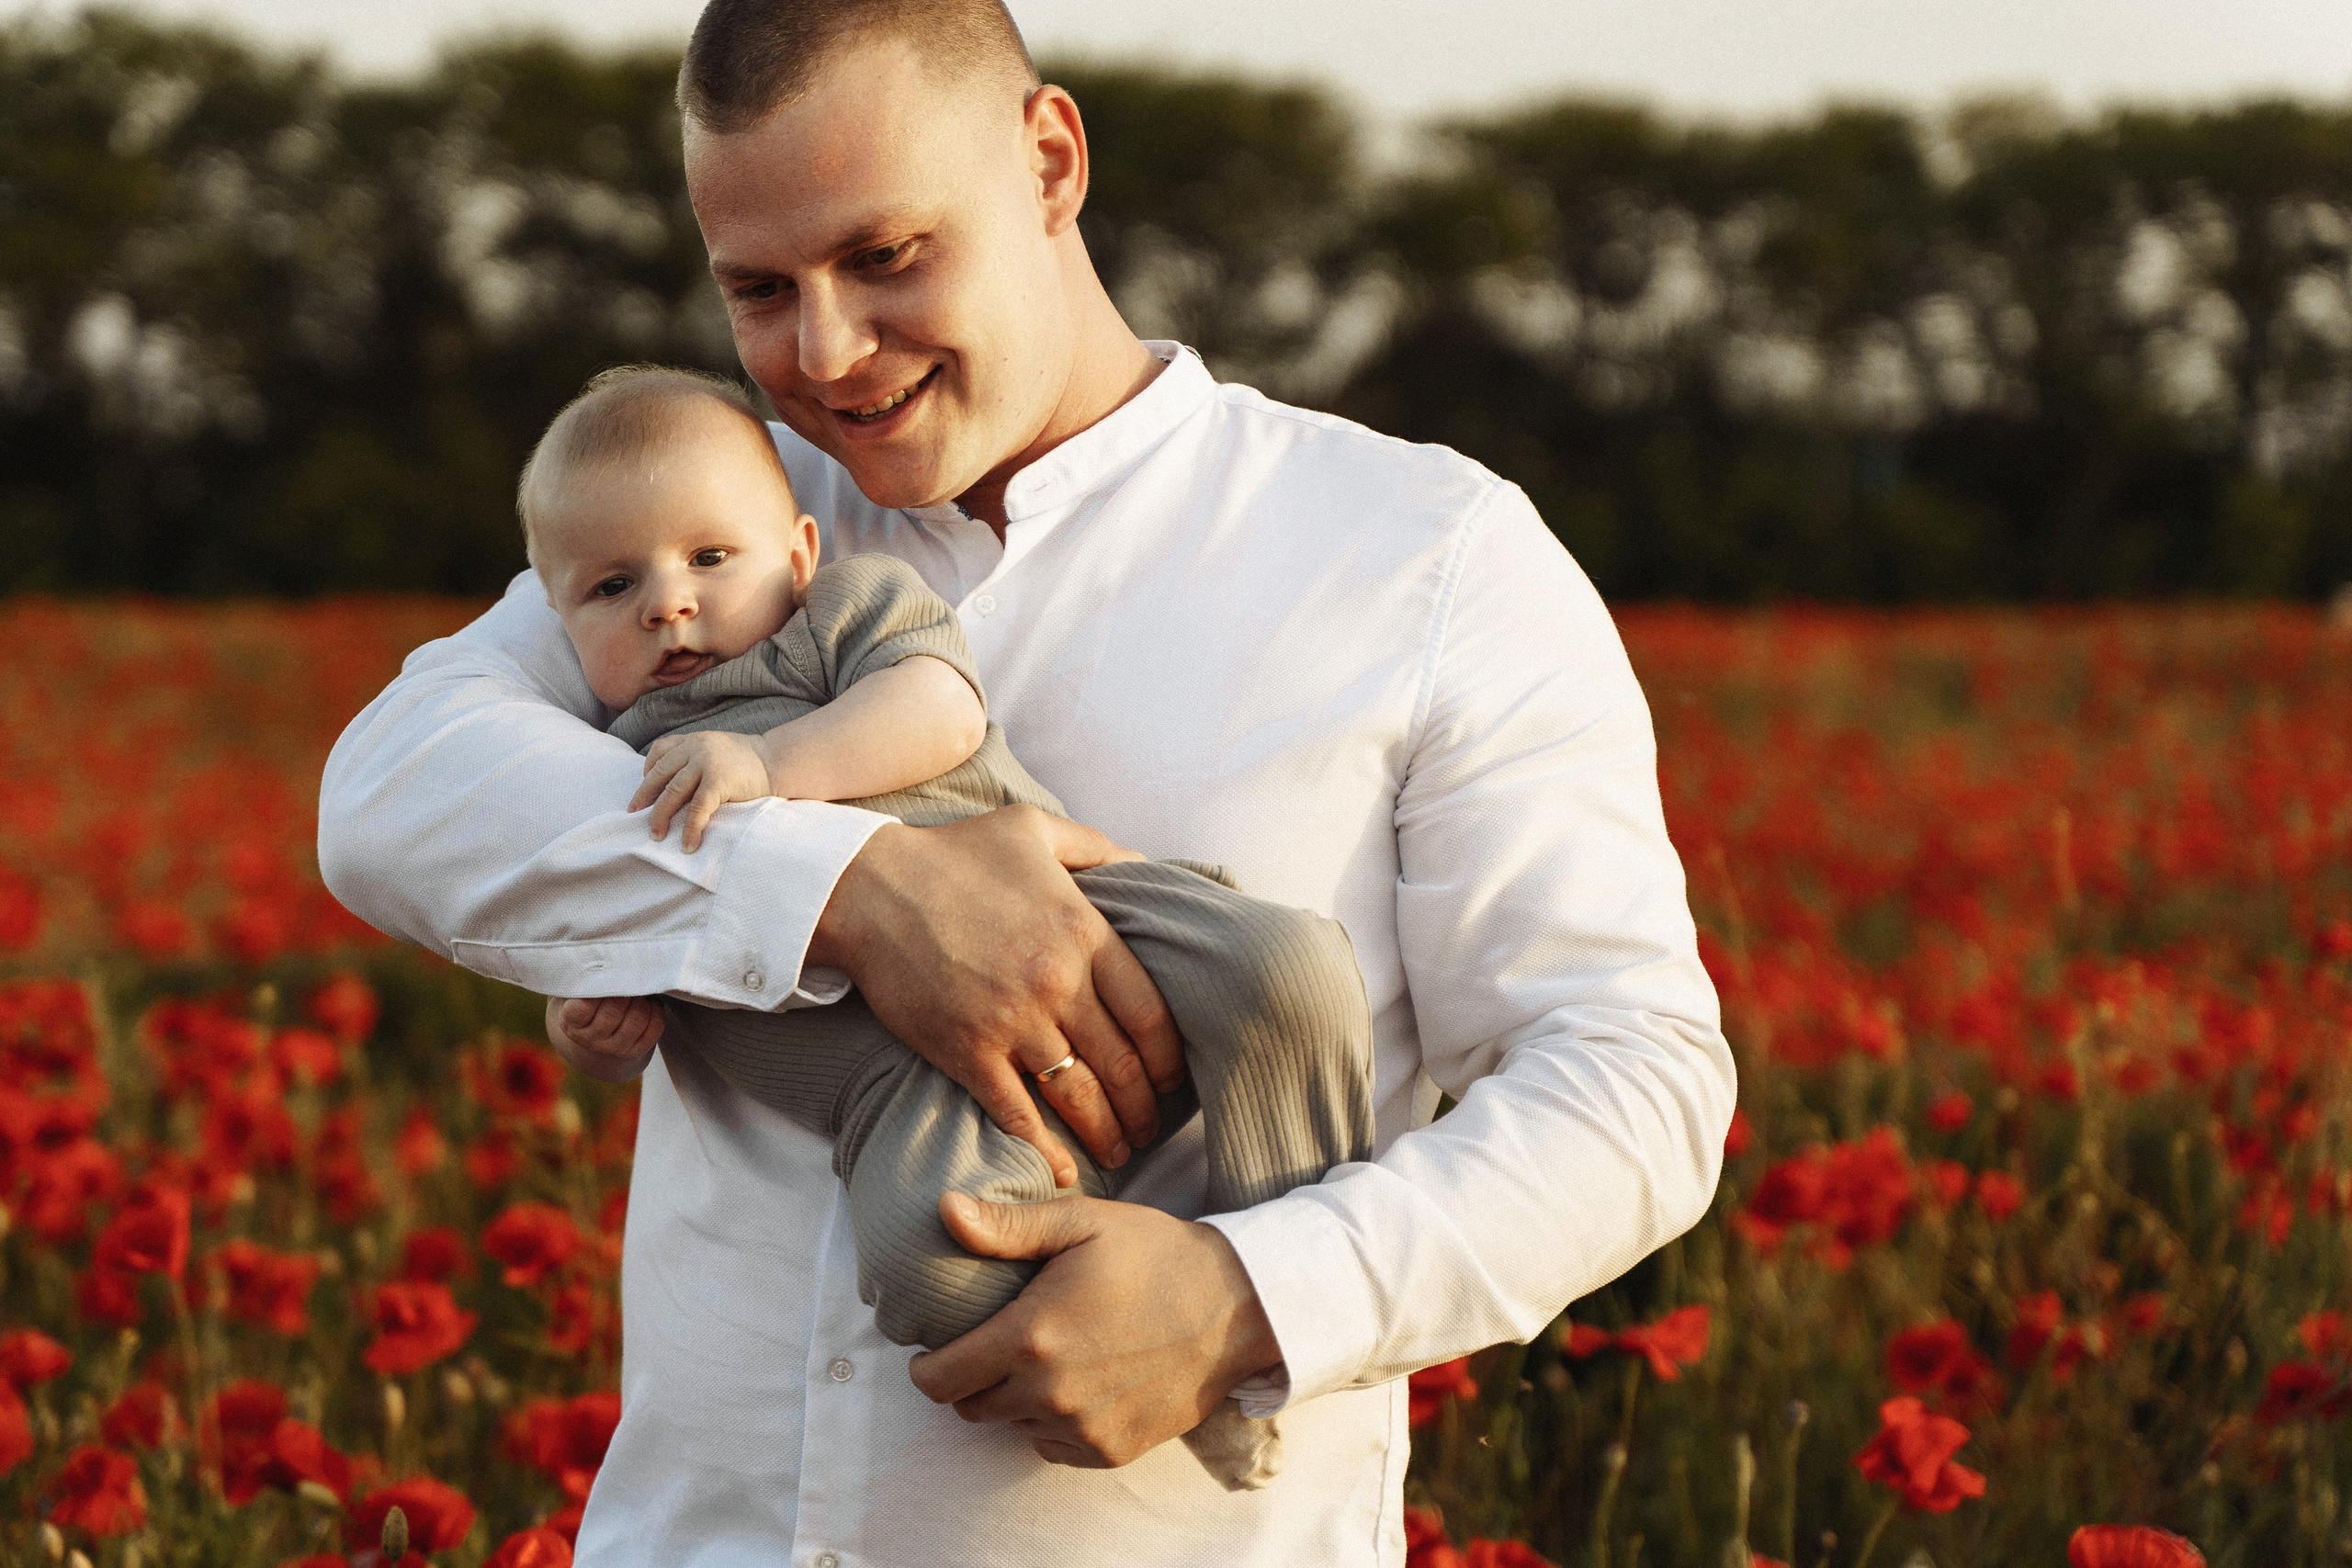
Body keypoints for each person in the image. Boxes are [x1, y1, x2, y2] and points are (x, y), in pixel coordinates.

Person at [316, 0, 1736, 1560]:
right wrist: (857, 895)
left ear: (1051, 161)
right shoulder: (710, 520)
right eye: (759, 289)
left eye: (887, 256)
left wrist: (1251, 1297)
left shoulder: (1424, 555)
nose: (829, 353)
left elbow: (1633, 1078)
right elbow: (397, 786)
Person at [519, 361, 1374, 1488]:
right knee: (934, 1275)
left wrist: (769, 765)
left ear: (799, 554)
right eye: (611, 588)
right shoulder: (601, 753)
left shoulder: (842, 615)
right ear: (555, 620)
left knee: (1287, 967)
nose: (668, 603)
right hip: (896, 1097)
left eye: (709, 559)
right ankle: (1185, 1385)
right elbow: (606, 926)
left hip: (1078, 920)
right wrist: (585, 1028)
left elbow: (934, 710)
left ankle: (1258, 1263)